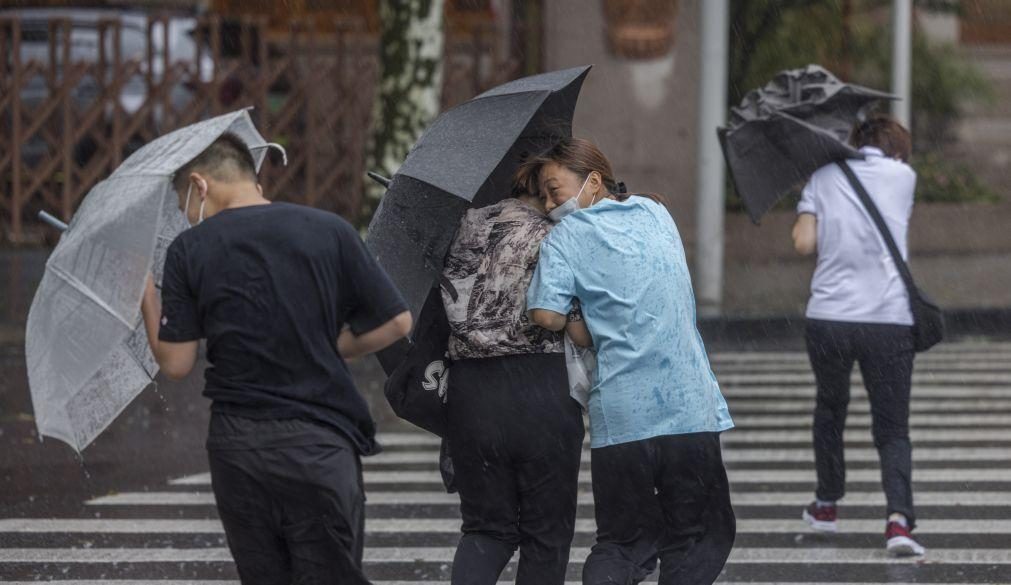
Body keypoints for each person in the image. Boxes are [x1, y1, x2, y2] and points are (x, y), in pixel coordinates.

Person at [139, 133, 412, 584]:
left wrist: (147, 298)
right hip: (319, 444)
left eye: (181, 202)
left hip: (239, 449)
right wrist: (338, 346)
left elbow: (176, 363)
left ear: (198, 184)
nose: (185, 214)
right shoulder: (330, 230)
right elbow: (398, 323)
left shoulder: (190, 249)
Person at [524, 138, 736, 585]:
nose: (547, 205)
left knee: (623, 543)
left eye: (553, 190)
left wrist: (578, 322)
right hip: (688, 409)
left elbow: (545, 314)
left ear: (593, 181)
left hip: (621, 418)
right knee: (695, 537)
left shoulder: (564, 237)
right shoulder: (657, 214)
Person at [792, 114, 925, 556]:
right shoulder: (903, 176)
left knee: (830, 409)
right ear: (895, 147)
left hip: (829, 317)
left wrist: (809, 201)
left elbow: (803, 244)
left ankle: (827, 505)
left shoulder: (822, 176)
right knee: (892, 425)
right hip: (888, 320)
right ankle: (899, 521)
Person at [440, 181, 585, 585]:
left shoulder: (461, 226)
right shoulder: (558, 235)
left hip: (471, 391)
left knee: (486, 530)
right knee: (546, 534)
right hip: (540, 388)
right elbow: (574, 324)